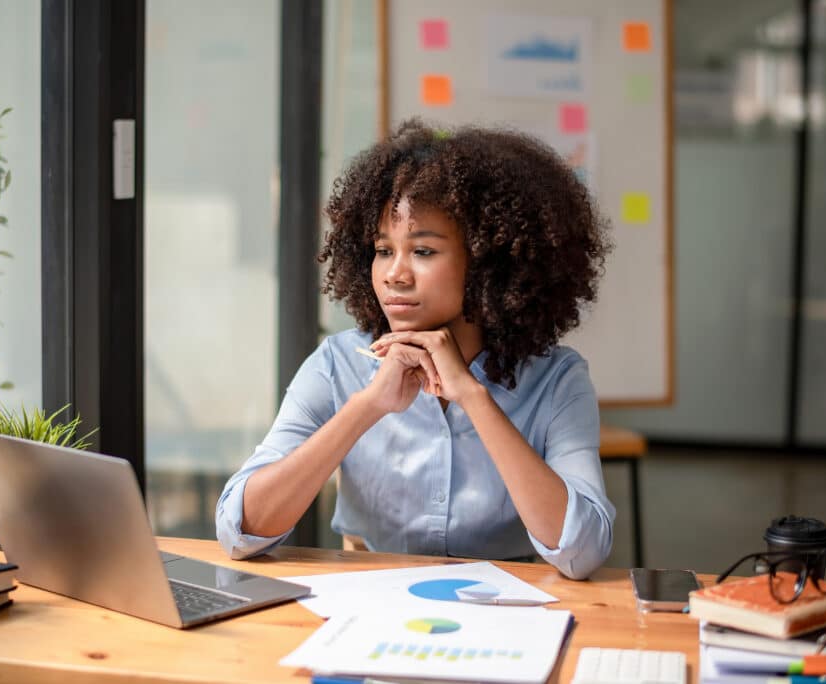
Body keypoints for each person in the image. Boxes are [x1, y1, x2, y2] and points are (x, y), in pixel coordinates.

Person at [216, 119, 615, 579]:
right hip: (366, 597)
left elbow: (583, 551)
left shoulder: (557, 380)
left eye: (423, 252)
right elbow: (238, 531)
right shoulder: (336, 365)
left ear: (487, 262)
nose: (394, 275)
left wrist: (473, 396)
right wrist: (367, 406)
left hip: (511, 601)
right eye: (384, 250)